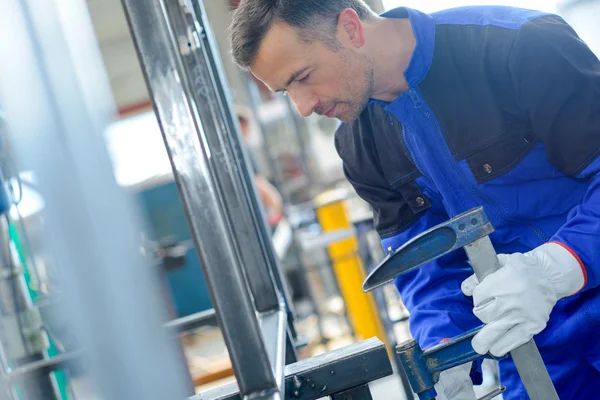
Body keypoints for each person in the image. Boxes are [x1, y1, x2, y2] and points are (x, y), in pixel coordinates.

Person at [228, 1, 600, 399]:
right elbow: (424, 265)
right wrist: (443, 349)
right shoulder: (360, 145)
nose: (302, 107)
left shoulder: (516, 45)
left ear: (350, 29)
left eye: (303, 77)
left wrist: (556, 267)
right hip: (533, 344)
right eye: (287, 91)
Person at [236, 107, 284, 225]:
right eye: (241, 130)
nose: (245, 134)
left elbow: (258, 181)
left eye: (245, 130)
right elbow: (259, 185)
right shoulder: (237, 153)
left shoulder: (244, 152)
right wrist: (275, 204)